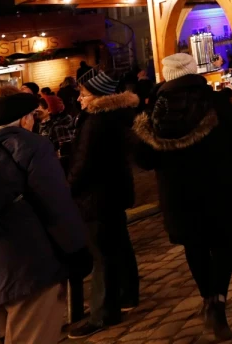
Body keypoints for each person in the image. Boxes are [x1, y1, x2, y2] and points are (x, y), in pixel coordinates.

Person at [0, 92, 91, 344]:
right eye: (33, 116)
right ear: (24, 119)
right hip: (23, 266)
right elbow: (56, 204)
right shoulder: (29, 145)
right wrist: (77, 250)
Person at [133, 53, 232, 341]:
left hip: (177, 192)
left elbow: (144, 158)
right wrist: (226, 165)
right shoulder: (216, 102)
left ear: (167, 75)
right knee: (223, 242)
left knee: (194, 244)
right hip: (217, 185)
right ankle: (219, 300)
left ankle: (207, 297)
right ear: (193, 71)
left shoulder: (153, 111)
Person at [66, 70, 141, 338]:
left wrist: (68, 188)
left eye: (84, 94)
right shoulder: (115, 114)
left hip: (96, 195)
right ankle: (127, 295)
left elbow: (83, 162)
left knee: (102, 254)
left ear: (98, 96)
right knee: (118, 245)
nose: (79, 99)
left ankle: (103, 314)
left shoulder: (95, 120)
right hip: (113, 190)